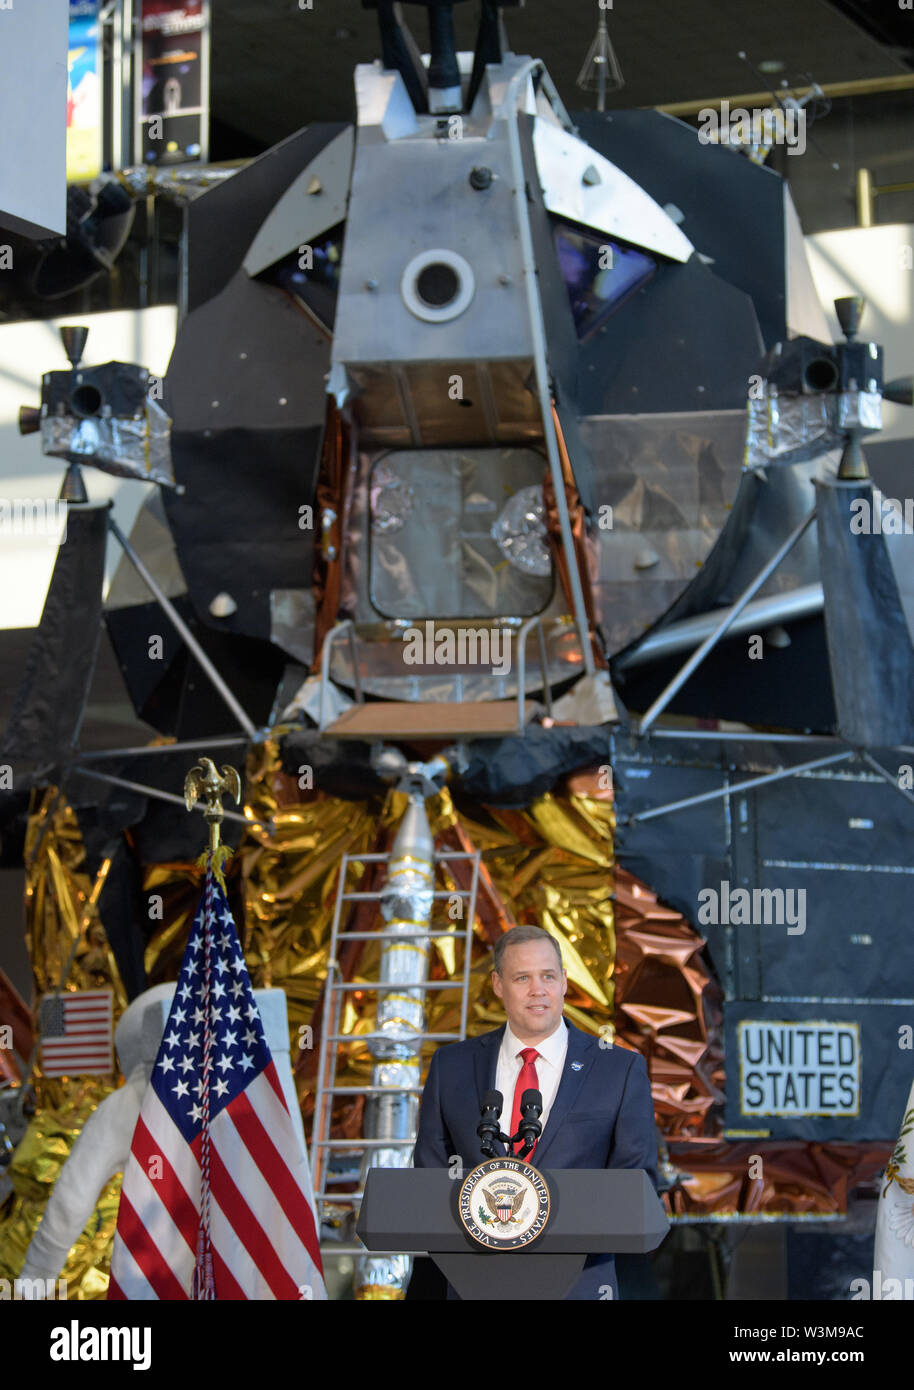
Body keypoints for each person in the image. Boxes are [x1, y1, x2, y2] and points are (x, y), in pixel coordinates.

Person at [412, 923, 659, 1300]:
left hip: (580, 1286)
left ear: (563, 981)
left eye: (548, 976)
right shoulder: (452, 1066)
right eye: (522, 977)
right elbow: (430, 1175)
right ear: (498, 985)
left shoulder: (618, 1069)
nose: (537, 990)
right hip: (472, 1283)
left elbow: (634, 1182)